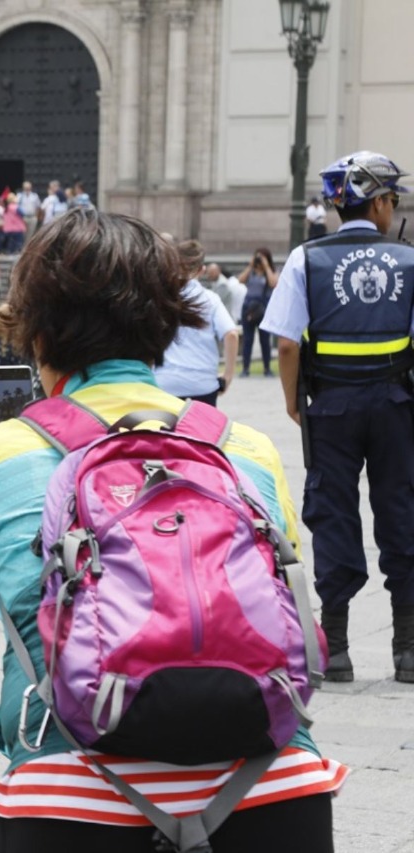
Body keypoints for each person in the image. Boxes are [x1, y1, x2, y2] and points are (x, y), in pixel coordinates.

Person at [0, 209, 345, 852]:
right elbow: (297, 610)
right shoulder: (245, 448)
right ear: (165, 325)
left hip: (71, 802)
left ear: (36, 334)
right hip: (273, 790)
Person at [262, 150, 414, 684]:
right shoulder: (410, 260)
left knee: (332, 514)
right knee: (403, 509)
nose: (393, 209)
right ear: (375, 202)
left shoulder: (307, 259)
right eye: (392, 200)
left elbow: (284, 344)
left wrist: (290, 400)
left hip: (330, 406)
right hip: (397, 406)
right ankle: (408, 647)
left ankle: (340, 647)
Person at [154, 240, 238, 405]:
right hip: (202, 384)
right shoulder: (210, 299)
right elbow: (231, 334)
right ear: (202, 270)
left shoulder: (160, 297)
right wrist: (228, 375)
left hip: (165, 382)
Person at [237, 247, 279, 377]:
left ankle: (267, 368)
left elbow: (274, 283)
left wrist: (266, 267)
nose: (259, 260)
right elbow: (240, 280)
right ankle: (245, 368)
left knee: (265, 340)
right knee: (248, 339)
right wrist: (251, 265)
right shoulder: (251, 272)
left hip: (264, 308)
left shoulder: (272, 271)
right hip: (249, 308)